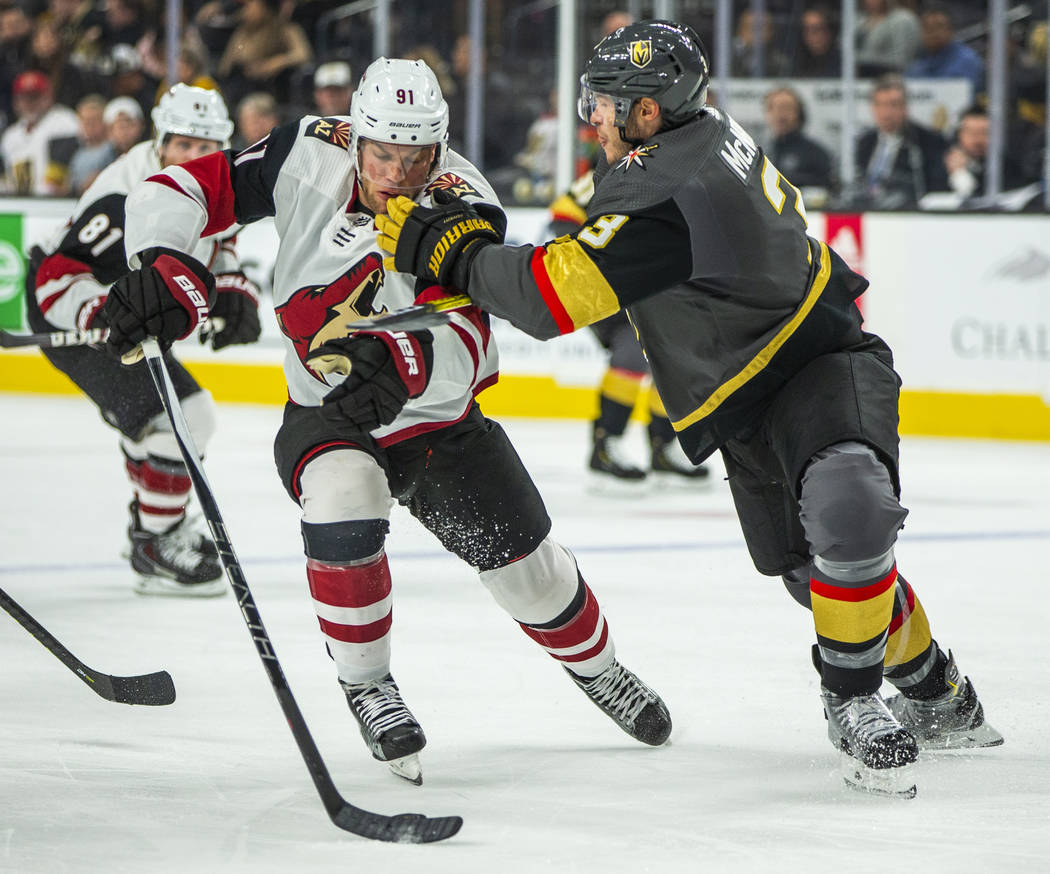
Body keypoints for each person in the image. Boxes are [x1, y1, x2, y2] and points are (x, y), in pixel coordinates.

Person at [374, 21, 1003, 796]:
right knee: (820, 575)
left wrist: (450, 252)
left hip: (815, 359)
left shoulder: (666, 188)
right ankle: (936, 686)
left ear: (647, 114)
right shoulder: (691, 133)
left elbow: (547, 299)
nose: (589, 118)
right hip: (743, 390)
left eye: (603, 104)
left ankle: (854, 701)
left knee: (851, 508)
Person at [101, 58, 672, 785]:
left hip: (437, 420)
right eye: (382, 154)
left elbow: (468, 334)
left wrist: (404, 362)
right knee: (344, 496)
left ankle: (601, 670)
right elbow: (181, 187)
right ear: (356, 140)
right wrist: (165, 265)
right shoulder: (303, 151)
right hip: (327, 410)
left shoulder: (463, 202)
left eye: (416, 157)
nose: (398, 173)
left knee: (531, 573)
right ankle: (369, 685)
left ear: (438, 148)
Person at [24, 84, 261, 597]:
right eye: (184, 146)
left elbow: (221, 241)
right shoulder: (122, 193)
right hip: (72, 311)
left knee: (156, 426)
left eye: (207, 147)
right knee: (185, 419)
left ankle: (151, 530)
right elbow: (57, 275)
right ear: (161, 142)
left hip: (135, 310)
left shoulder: (219, 179)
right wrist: (98, 313)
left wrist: (237, 291)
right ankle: (156, 542)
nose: (195, 158)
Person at [548, 170, 709, 485]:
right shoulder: (629, 167)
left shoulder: (670, 167)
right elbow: (564, 217)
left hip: (644, 275)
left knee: (672, 352)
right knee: (633, 346)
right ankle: (606, 444)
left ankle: (664, 445)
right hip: (596, 273)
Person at [853, 73, 948, 209]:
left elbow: (935, 188)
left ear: (905, 108)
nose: (886, 112)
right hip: (868, 211)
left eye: (893, 105)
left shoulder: (927, 141)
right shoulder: (865, 141)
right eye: (880, 105)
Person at [0, 70, 80, 195]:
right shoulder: (10, 135)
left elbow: (59, 172)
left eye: (35, 96)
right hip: (21, 202)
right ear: (16, 101)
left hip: (57, 201)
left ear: (48, 96)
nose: (29, 103)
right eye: (24, 97)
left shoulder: (64, 121)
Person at [906, 3, 984, 99]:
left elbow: (972, 98)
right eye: (927, 27)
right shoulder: (914, 65)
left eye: (938, 26)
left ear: (951, 30)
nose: (932, 32)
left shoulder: (968, 61)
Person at [856, 0, 920, 77]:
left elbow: (901, 59)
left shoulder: (902, 19)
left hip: (892, 77)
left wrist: (862, 60)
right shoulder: (858, 20)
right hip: (857, 77)